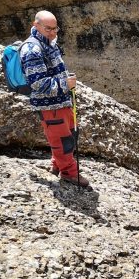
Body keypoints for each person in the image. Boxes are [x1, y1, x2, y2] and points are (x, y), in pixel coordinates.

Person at [20, 10, 90, 188]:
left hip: (62, 102)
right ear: (36, 26)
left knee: (69, 136)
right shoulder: (32, 49)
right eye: (48, 28)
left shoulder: (49, 43)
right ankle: (69, 174)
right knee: (63, 141)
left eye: (55, 28)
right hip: (50, 106)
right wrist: (66, 83)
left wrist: (65, 82)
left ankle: (56, 165)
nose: (52, 32)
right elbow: (39, 84)